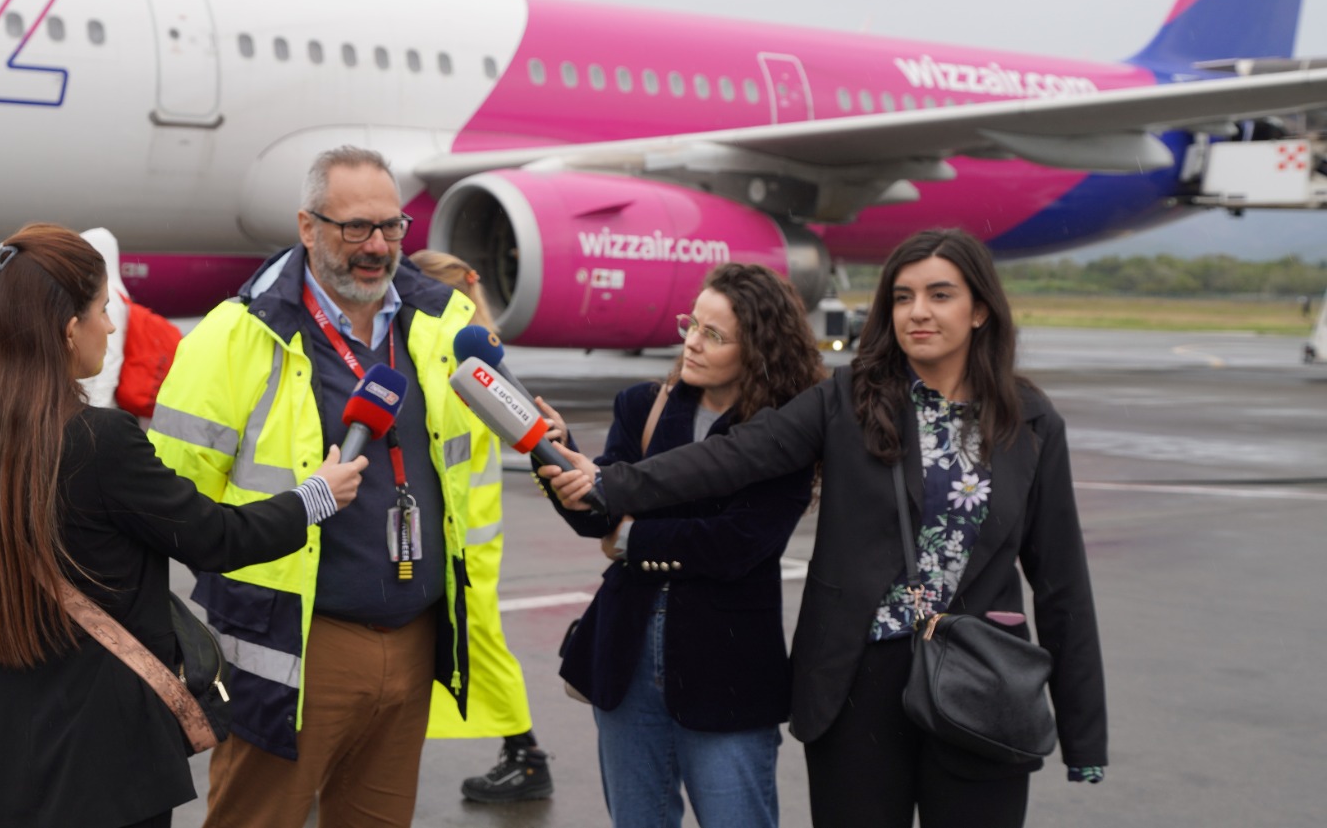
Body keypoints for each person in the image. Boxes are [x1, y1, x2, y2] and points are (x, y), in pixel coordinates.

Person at [547, 229, 1107, 828]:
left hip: (981, 675)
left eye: (940, 295)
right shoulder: (848, 399)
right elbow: (734, 455)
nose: (917, 312)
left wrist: (1083, 733)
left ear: (980, 312)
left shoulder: (1031, 420)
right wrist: (614, 482)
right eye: (901, 296)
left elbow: (1061, 581)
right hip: (855, 681)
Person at [0, 223, 369, 828]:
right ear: (67, 329)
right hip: (110, 773)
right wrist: (314, 498)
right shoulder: (99, 442)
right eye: (103, 309)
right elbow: (215, 537)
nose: (110, 324)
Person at [149, 146, 485, 828]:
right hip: (294, 647)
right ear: (307, 226)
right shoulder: (235, 335)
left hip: (415, 637)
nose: (377, 246)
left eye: (391, 227)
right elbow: (173, 506)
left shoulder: (440, 322)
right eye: (354, 227)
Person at [551, 263, 824, 828]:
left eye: (714, 334)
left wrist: (629, 537)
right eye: (690, 325)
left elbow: (738, 545)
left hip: (728, 672)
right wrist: (557, 461)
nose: (691, 344)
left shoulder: (783, 433)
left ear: (761, 348)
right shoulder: (641, 405)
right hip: (624, 660)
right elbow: (594, 518)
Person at [408, 249, 555, 803]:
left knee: (479, 645)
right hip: (468, 536)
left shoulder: (458, 369)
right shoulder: (475, 364)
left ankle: (527, 757)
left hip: (463, 542)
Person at [78, 226, 132, 409]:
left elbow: (112, 356)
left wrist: (97, 405)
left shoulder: (110, 298)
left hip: (102, 401)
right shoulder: (117, 293)